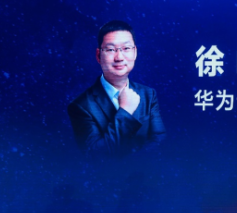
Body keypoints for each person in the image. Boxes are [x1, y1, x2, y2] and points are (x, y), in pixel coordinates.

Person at [67, 20, 166, 157]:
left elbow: (160, 141)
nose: (119, 57)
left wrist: (137, 165)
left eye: (126, 48)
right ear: (98, 55)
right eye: (111, 49)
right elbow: (95, 155)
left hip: (144, 170)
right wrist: (125, 111)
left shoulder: (148, 94)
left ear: (135, 52)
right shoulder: (81, 106)